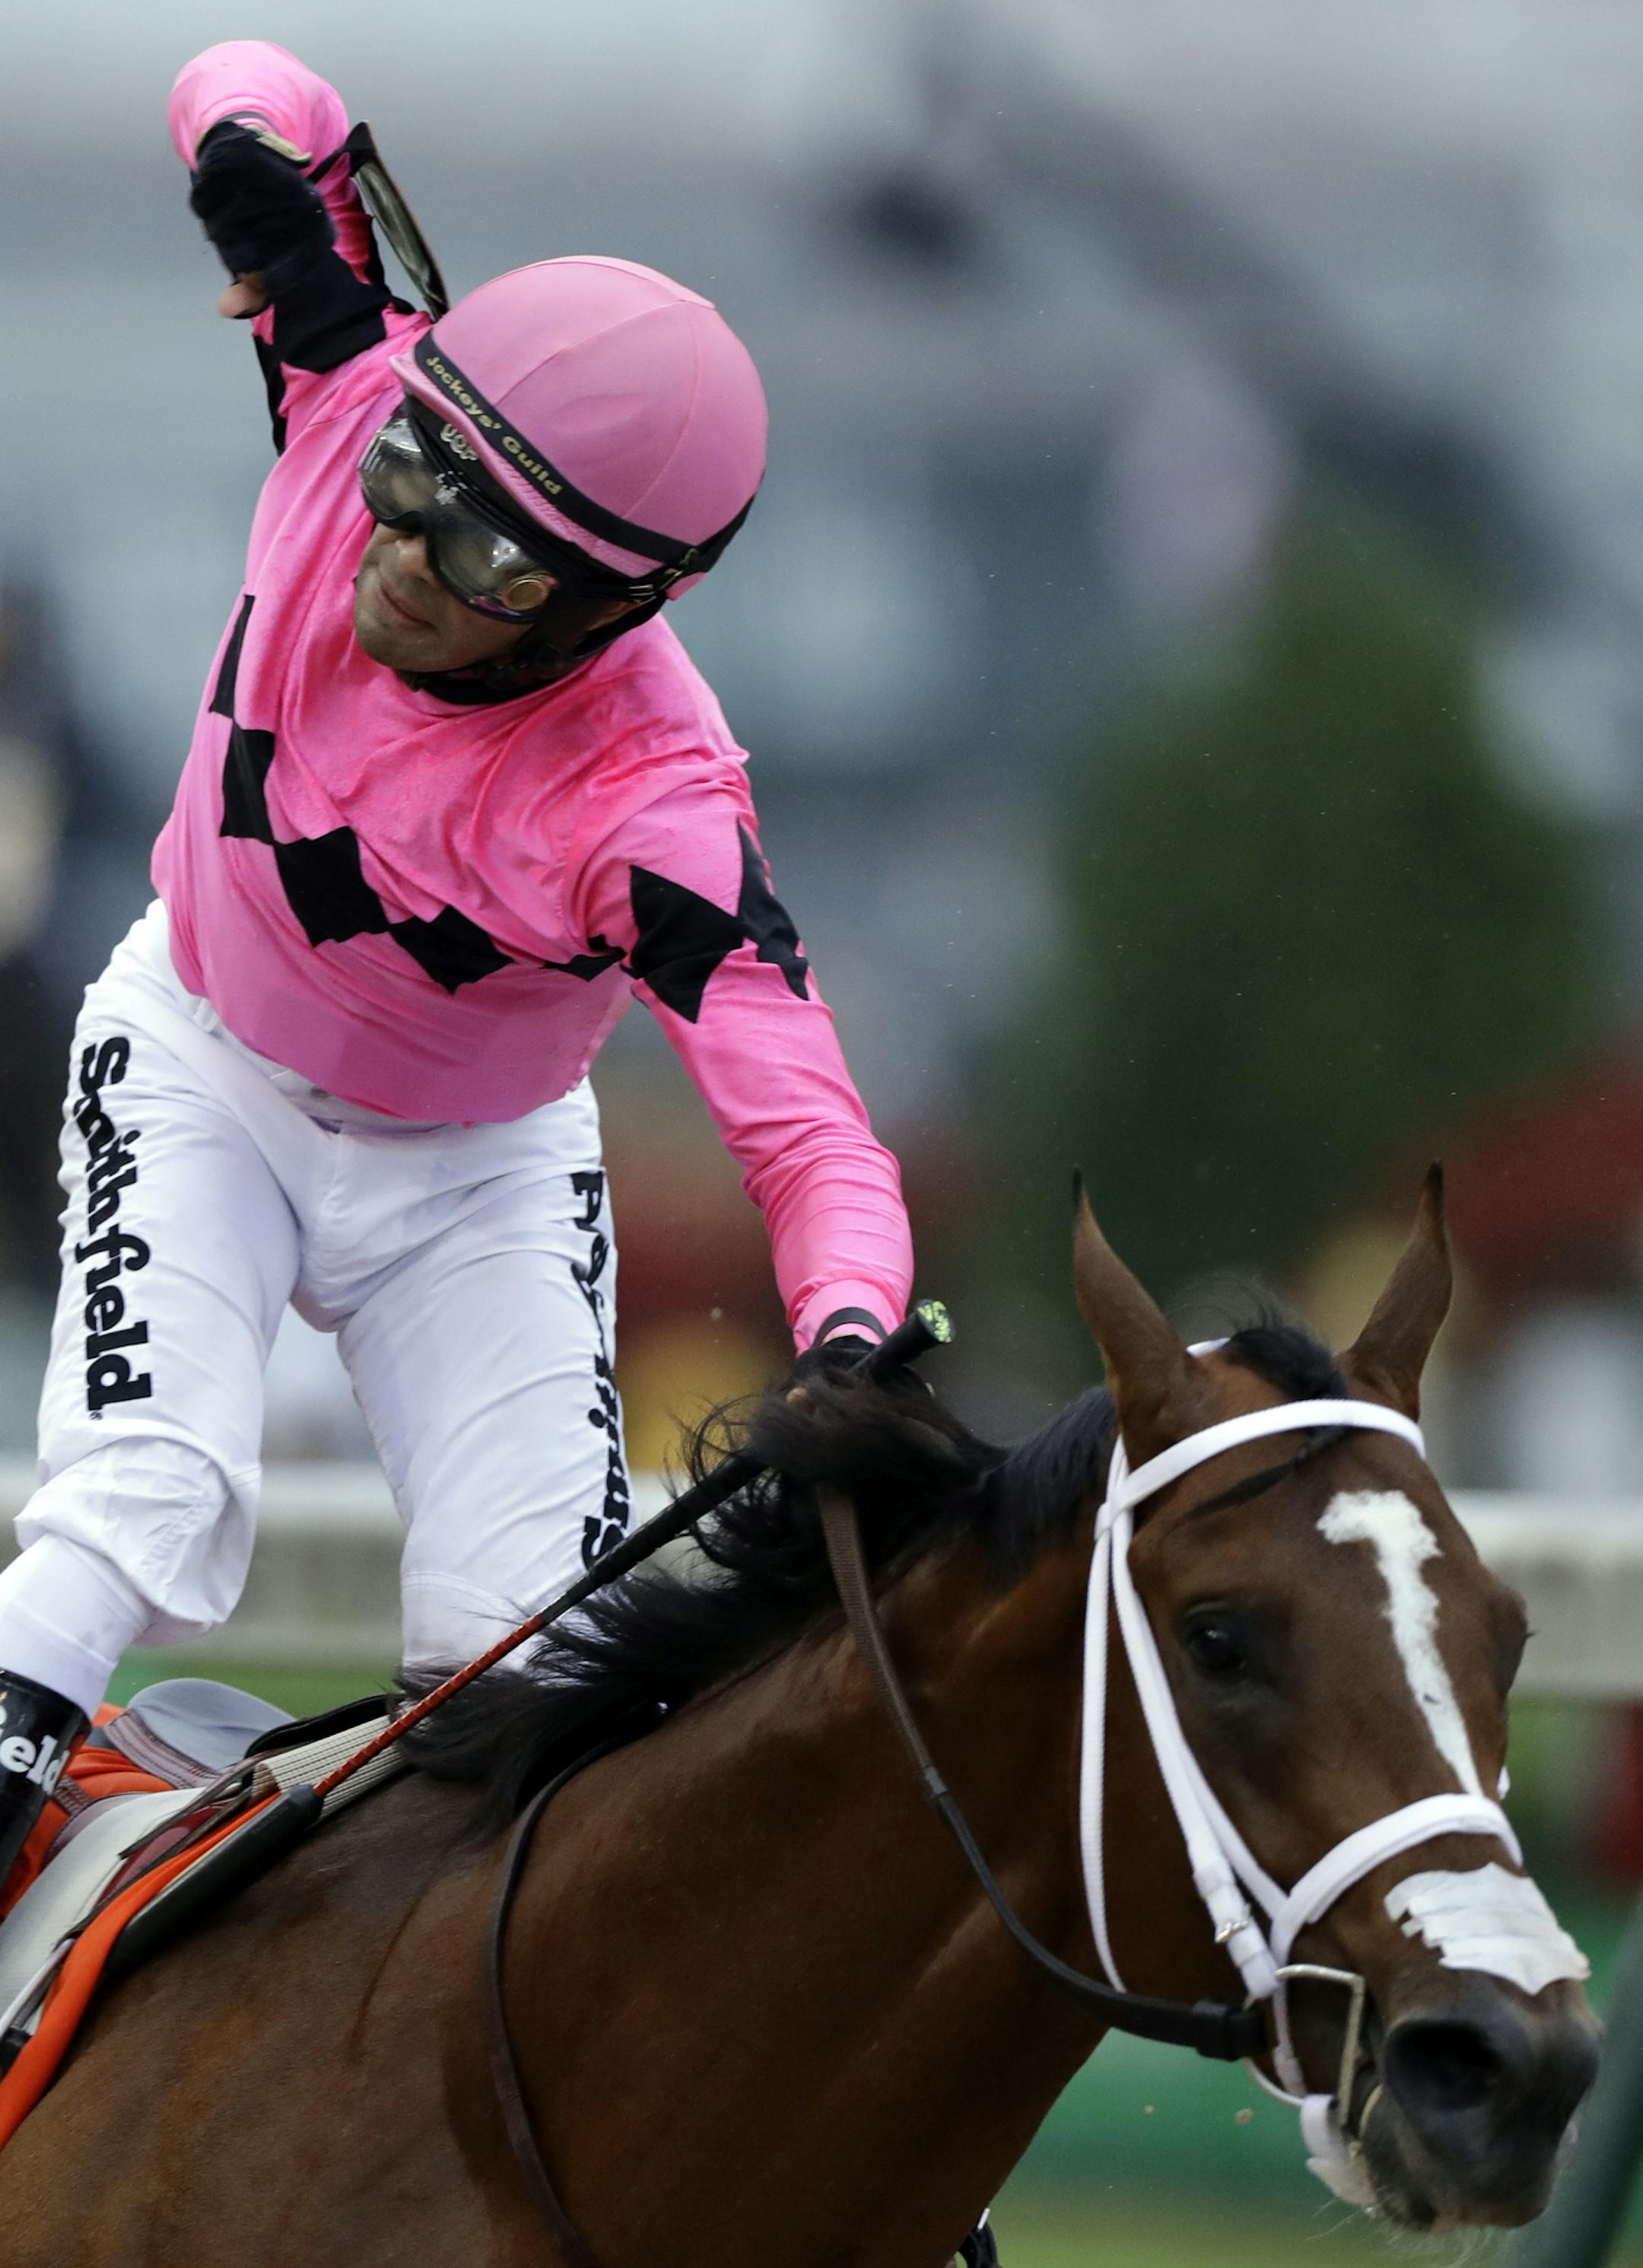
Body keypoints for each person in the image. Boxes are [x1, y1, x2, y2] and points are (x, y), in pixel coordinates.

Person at [0, 41, 914, 1882]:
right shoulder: (348, 388)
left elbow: (811, 1135)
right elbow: (244, 78)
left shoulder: (656, 809)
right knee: (144, 1496)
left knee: (542, 1656)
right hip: (195, 1057)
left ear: (616, 605)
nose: (406, 555)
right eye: (425, 472)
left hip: (478, 1176)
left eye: (492, 553)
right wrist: (255, 152)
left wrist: (854, 1343)